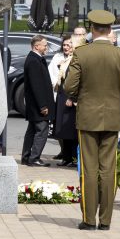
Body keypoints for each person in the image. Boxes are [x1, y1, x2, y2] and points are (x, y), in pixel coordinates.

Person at [64, 10, 120, 230]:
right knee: (108, 169)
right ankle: (105, 220)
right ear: (110, 30)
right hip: (112, 118)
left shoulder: (82, 53)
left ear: (92, 29)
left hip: (87, 117)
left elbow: (69, 86)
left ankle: (88, 219)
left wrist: (78, 99)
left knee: (89, 169)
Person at [21, 35, 54, 167]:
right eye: (44, 45)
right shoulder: (34, 61)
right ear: (37, 46)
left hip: (35, 105)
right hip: (38, 105)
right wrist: (43, 105)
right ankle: (34, 158)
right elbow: (37, 86)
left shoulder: (36, 59)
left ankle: (26, 156)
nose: (46, 47)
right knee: (41, 131)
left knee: (32, 131)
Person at [53, 34, 84, 167]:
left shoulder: (75, 59)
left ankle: (73, 158)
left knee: (70, 129)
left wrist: (72, 97)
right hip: (62, 95)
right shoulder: (66, 59)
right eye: (65, 45)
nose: (66, 47)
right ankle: (66, 157)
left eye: (69, 45)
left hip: (69, 97)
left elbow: (76, 80)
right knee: (62, 127)